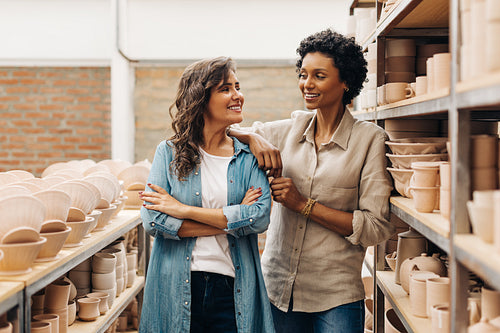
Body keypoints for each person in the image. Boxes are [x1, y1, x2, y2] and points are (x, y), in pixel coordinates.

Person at [229, 29, 396, 333]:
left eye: (319, 75)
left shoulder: (369, 140)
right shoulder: (287, 131)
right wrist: (253, 137)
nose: (307, 84)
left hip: (336, 297)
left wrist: (302, 204)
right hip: (278, 291)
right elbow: (223, 132)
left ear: (345, 81)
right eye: (303, 74)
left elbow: (376, 227)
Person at [138, 56, 275, 332]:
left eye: (237, 86)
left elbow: (259, 218)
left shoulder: (248, 157)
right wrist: (231, 222)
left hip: (231, 289)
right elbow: (153, 220)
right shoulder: (168, 153)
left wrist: (182, 209)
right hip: (176, 286)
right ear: (201, 99)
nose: (238, 95)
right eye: (225, 89)